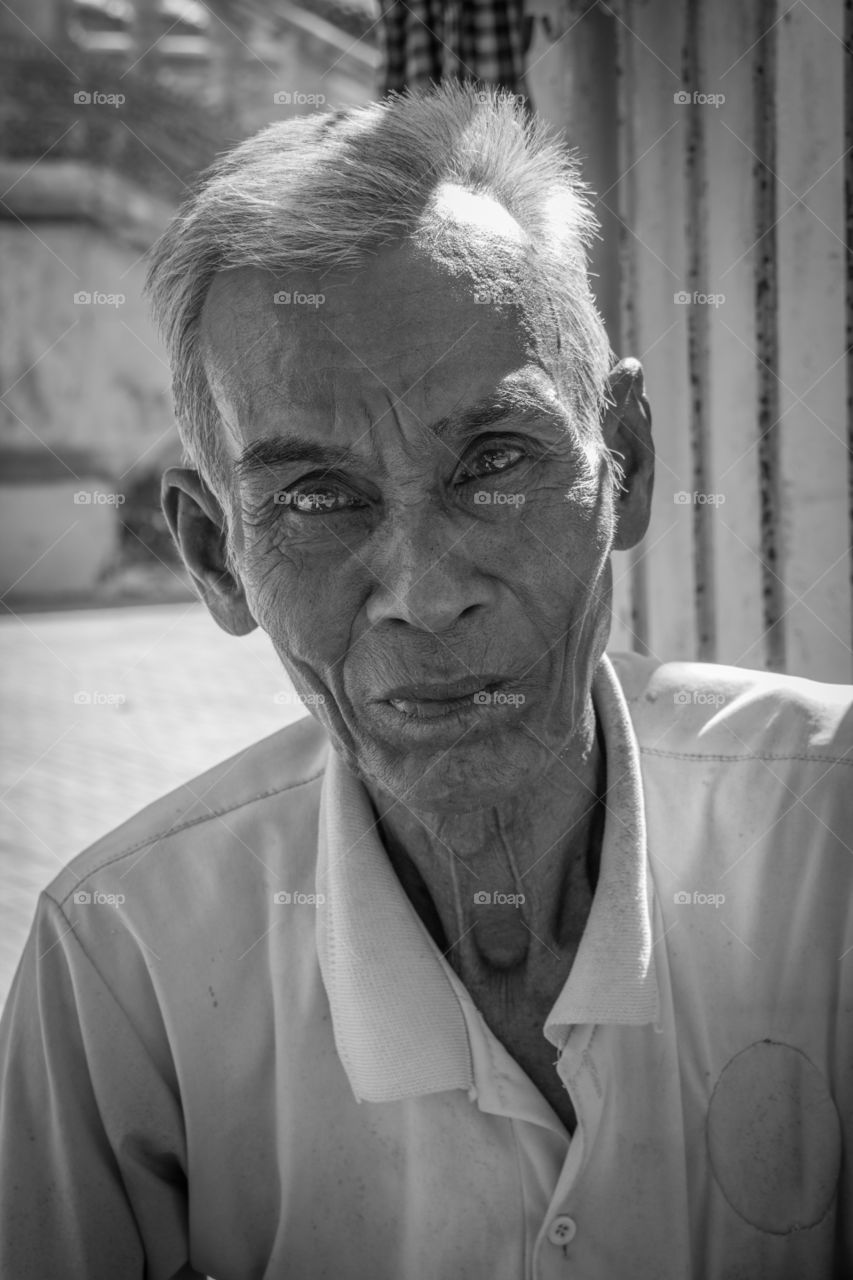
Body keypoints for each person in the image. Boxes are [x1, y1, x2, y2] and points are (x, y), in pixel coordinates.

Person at [1, 82, 851, 1279]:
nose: (421, 588)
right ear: (213, 554)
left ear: (629, 461)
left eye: (493, 459)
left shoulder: (831, 832)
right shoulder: (122, 961)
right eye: (315, 497)